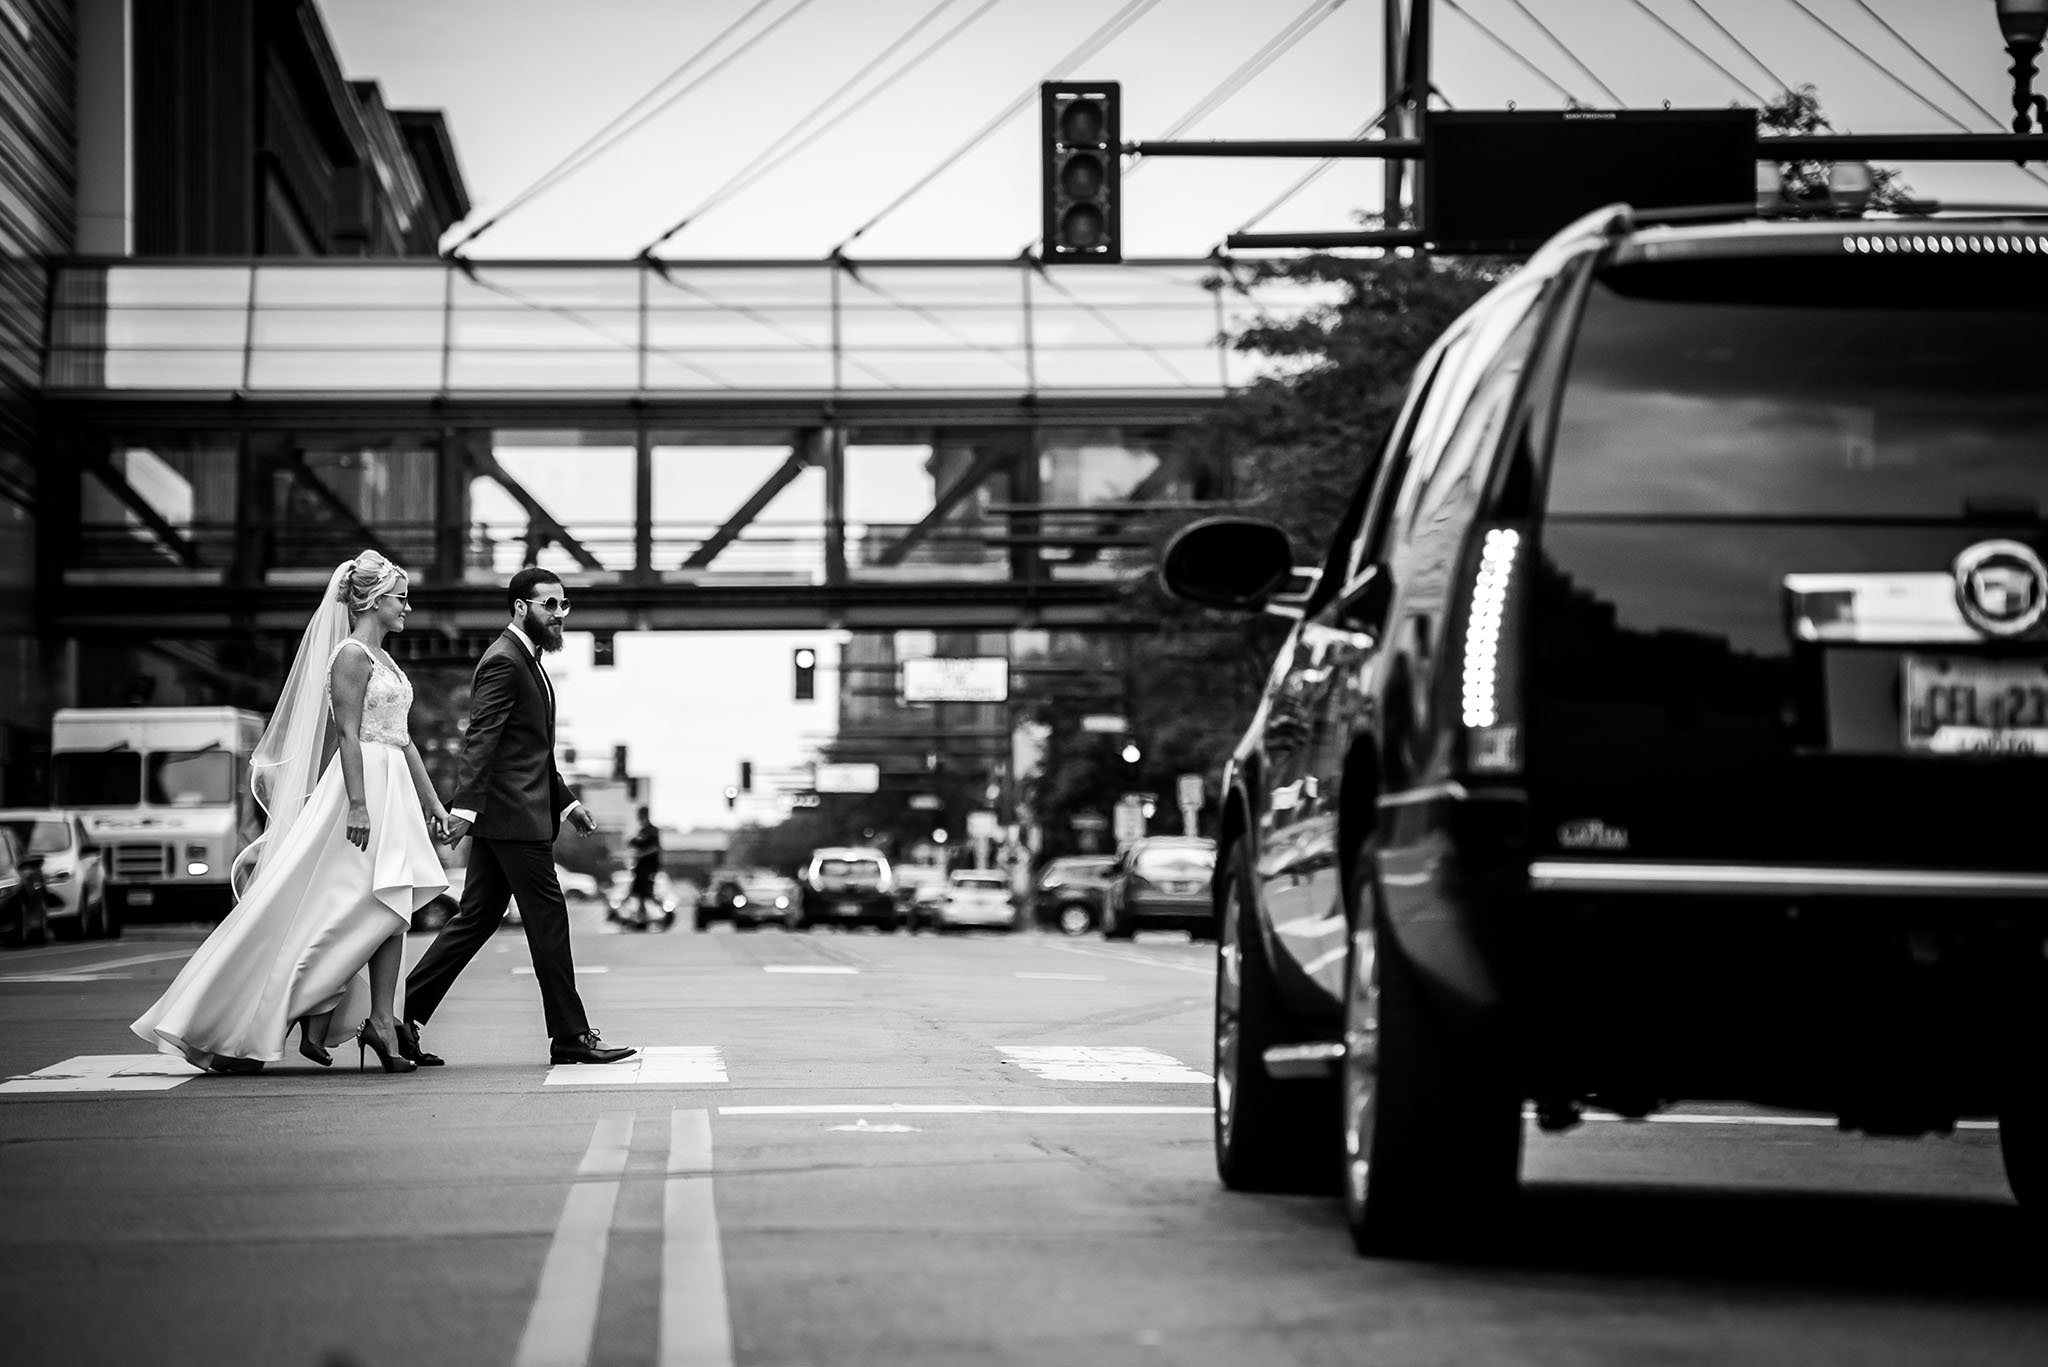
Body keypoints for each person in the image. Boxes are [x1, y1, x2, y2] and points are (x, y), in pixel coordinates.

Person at [131, 552, 451, 1075]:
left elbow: (404, 739)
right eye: (401, 598)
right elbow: (347, 734)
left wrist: (433, 804)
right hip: (362, 790)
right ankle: (273, 1017)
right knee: (338, 910)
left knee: (393, 908)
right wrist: (358, 804)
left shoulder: (386, 661)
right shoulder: (351, 657)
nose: (407, 608)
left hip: (393, 786)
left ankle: (380, 1021)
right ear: (373, 600)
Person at [397, 568, 636, 1067]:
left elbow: (531, 750)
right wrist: (464, 809)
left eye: (564, 605)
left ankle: (402, 1017)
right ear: (521, 607)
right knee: (547, 918)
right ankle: (570, 1036)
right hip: (512, 817)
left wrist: (566, 803)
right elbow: (481, 739)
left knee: (477, 918)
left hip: (512, 813)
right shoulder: (505, 661)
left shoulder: (530, 662)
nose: (559, 614)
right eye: (550, 604)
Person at [625, 806, 662, 930]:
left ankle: (663, 912)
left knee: (647, 893)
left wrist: (642, 854)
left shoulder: (652, 830)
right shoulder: (642, 831)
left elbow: (655, 847)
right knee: (639, 893)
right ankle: (641, 917)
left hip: (649, 868)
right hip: (640, 868)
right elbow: (634, 842)